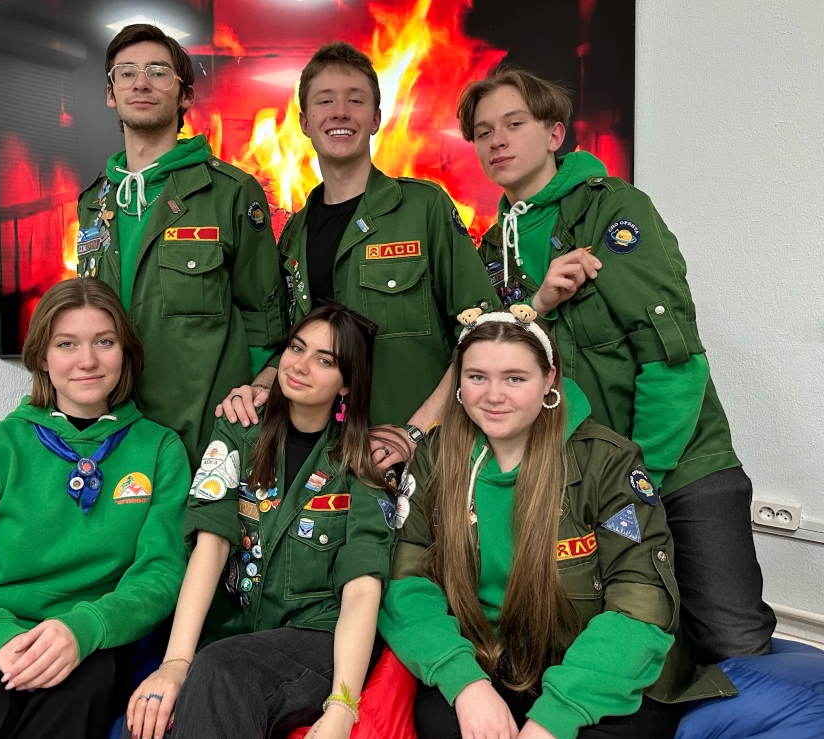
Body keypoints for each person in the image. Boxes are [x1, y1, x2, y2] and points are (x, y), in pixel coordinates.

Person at [457, 67, 774, 663]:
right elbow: (500, 365)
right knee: (616, 650)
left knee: (730, 641)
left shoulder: (613, 210)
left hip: (679, 469)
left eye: (514, 124)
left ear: (555, 134)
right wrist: (538, 304)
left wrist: (640, 483)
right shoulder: (492, 249)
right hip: (584, 487)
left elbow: (674, 361)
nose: (496, 141)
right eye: (482, 132)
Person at [378, 308, 735, 739]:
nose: (493, 395)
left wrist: (556, 716)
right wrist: (465, 683)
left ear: (549, 379)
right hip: (486, 660)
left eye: (515, 378)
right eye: (476, 377)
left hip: (592, 668)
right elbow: (409, 584)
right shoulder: (436, 456)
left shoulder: (608, 463)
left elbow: (640, 605)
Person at [0, 278, 191, 739]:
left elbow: (160, 575)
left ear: (125, 352)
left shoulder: (160, 449)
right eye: (67, 344)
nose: (87, 360)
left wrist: (84, 628)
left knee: (86, 684)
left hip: (83, 639)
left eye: (105, 342)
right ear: (43, 356)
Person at [217, 42, 500, 471]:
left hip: (425, 460)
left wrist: (416, 432)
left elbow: (482, 330)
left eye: (355, 100)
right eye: (325, 101)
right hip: (326, 465)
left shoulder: (423, 209)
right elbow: (294, 342)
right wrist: (261, 384)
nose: (340, 112)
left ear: (376, 119)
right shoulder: (293, 234)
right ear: (304, 122)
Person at [122, 304, 396, 739]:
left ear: (347, 384)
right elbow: (211, 546)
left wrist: (342, 706)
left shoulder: (365, 463)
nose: (300, 366)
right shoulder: (238, 430)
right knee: (163, 709)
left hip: (320, 641)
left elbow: (362, 590)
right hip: (237, 635)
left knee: (222, 670)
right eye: (296, 348)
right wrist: (174, 664)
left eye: (324, 361)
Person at [76, 23, 286, 470]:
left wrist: (245, 415)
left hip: (204, 441)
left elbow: (264, 324)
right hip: (110, 440)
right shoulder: (93, 203)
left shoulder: (230, 192)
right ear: (111, 93)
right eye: (126, 73)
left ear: (185, 95)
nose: (141, 83)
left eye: (158, 72)